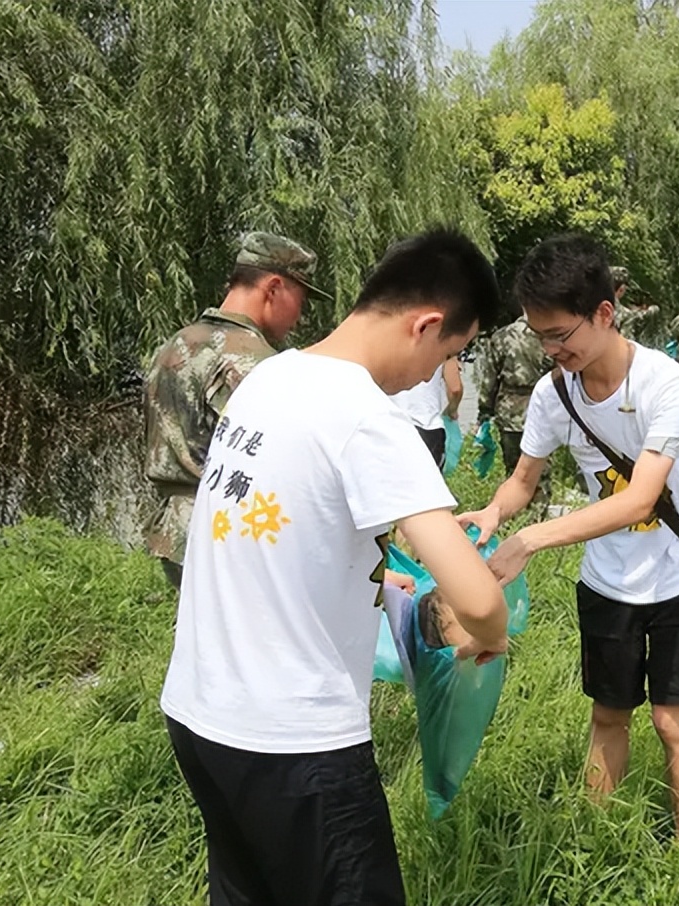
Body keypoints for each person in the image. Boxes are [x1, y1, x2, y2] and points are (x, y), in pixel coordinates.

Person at [160, 228, 510, 906]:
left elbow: (286, 532)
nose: (436, 375)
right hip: (294, 744)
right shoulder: (366, 416)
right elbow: (478, 600)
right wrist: (490, 633)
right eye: (448, 355)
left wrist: (376, 582)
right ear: (426, 325)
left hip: (201, 715)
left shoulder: (269, 378)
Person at [459, 234, 679, 841]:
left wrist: (530, 540)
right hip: (608, 581)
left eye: (560, 335)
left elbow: (639, 498)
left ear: (604, 313)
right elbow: (523, 480)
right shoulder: (554, 393)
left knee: (671, 721)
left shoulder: (665, 383)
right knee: (608, 715)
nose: (552, 351)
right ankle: (598, 841)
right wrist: (494, 514)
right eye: (540, 337)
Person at [144, 231, 322, 590]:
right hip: (225, 530)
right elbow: (278, 461)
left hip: (173, 528)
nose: (300, 317)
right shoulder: (252, 361)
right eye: (301, 299)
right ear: (274, 288)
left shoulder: (176, 343)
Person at [477, 313, 554, 516]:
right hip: (542, 410)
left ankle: (513, 515)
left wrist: (484, 412)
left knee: (514, 471)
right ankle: (537, 518)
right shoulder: (550, 335)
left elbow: (489, 380)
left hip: (509, 412)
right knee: (541, 471)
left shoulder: (501, 337)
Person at [392, 358, 462, 469]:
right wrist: (452, 410)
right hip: (429, 428)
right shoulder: (444, 347)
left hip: (392, 426)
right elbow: (455, 389)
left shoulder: (383, 347)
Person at [611, 265, 660, 345]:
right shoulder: (626, 315)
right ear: (621, 289)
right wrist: (653, 309)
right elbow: (626, 345)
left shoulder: (590, 307)